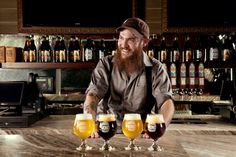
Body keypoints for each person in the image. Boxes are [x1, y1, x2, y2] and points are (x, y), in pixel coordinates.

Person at [83, 17, 175, 137]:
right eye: (121, 38)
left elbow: (166, 102)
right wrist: (90, 120)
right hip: (106, 132)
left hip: (139, 134)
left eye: (131, 39)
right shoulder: (106, 64)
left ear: (145, 42)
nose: (123, 45)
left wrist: (161, 126)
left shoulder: (155, 68)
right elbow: (93, 96)